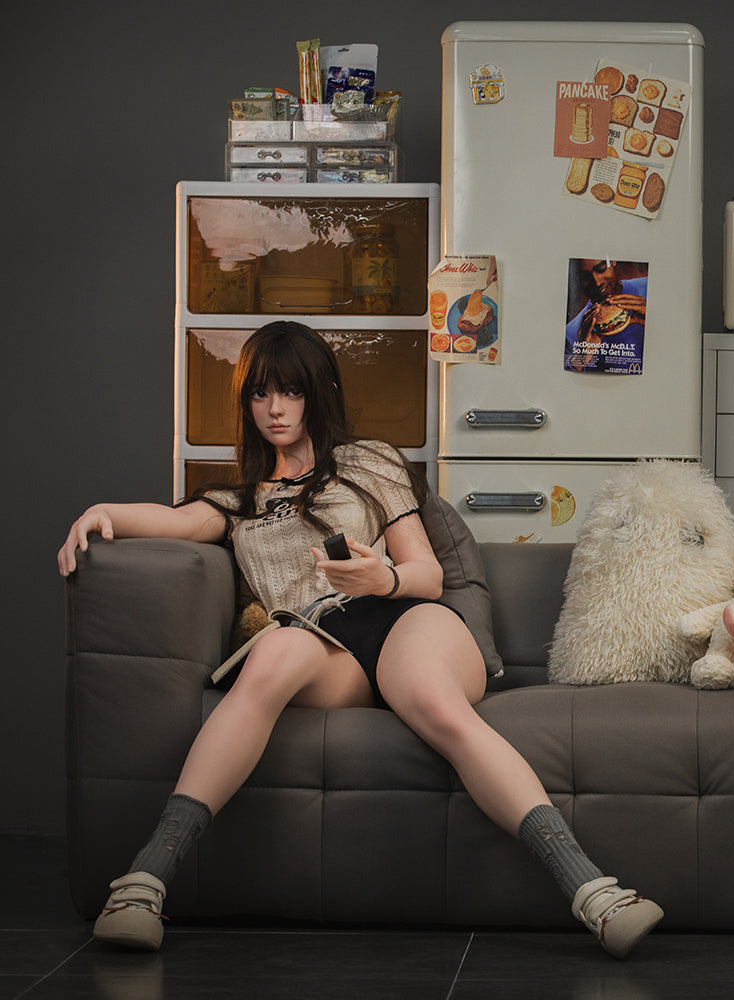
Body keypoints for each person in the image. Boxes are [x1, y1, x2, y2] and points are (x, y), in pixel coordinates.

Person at [57, 321, 661, 958]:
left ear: (318, 393)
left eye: (291, 391)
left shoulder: (369, 462)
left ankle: (592, 891)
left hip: (402, 616)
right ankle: (145, 881)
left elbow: (427, 575)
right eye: (260, 394)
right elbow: (172, 521)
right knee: (272, 653)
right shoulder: (237, 502)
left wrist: (383, 577)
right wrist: (102, 513)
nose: (276, 408)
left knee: (431, 700)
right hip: (323, 640)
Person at [563, 258, 647, 373]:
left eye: (600, 269)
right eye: (584, 277)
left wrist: (656, 317)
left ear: (613, 261)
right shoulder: (570, 333)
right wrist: (579, 360)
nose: (597, 283)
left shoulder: (649, 288)